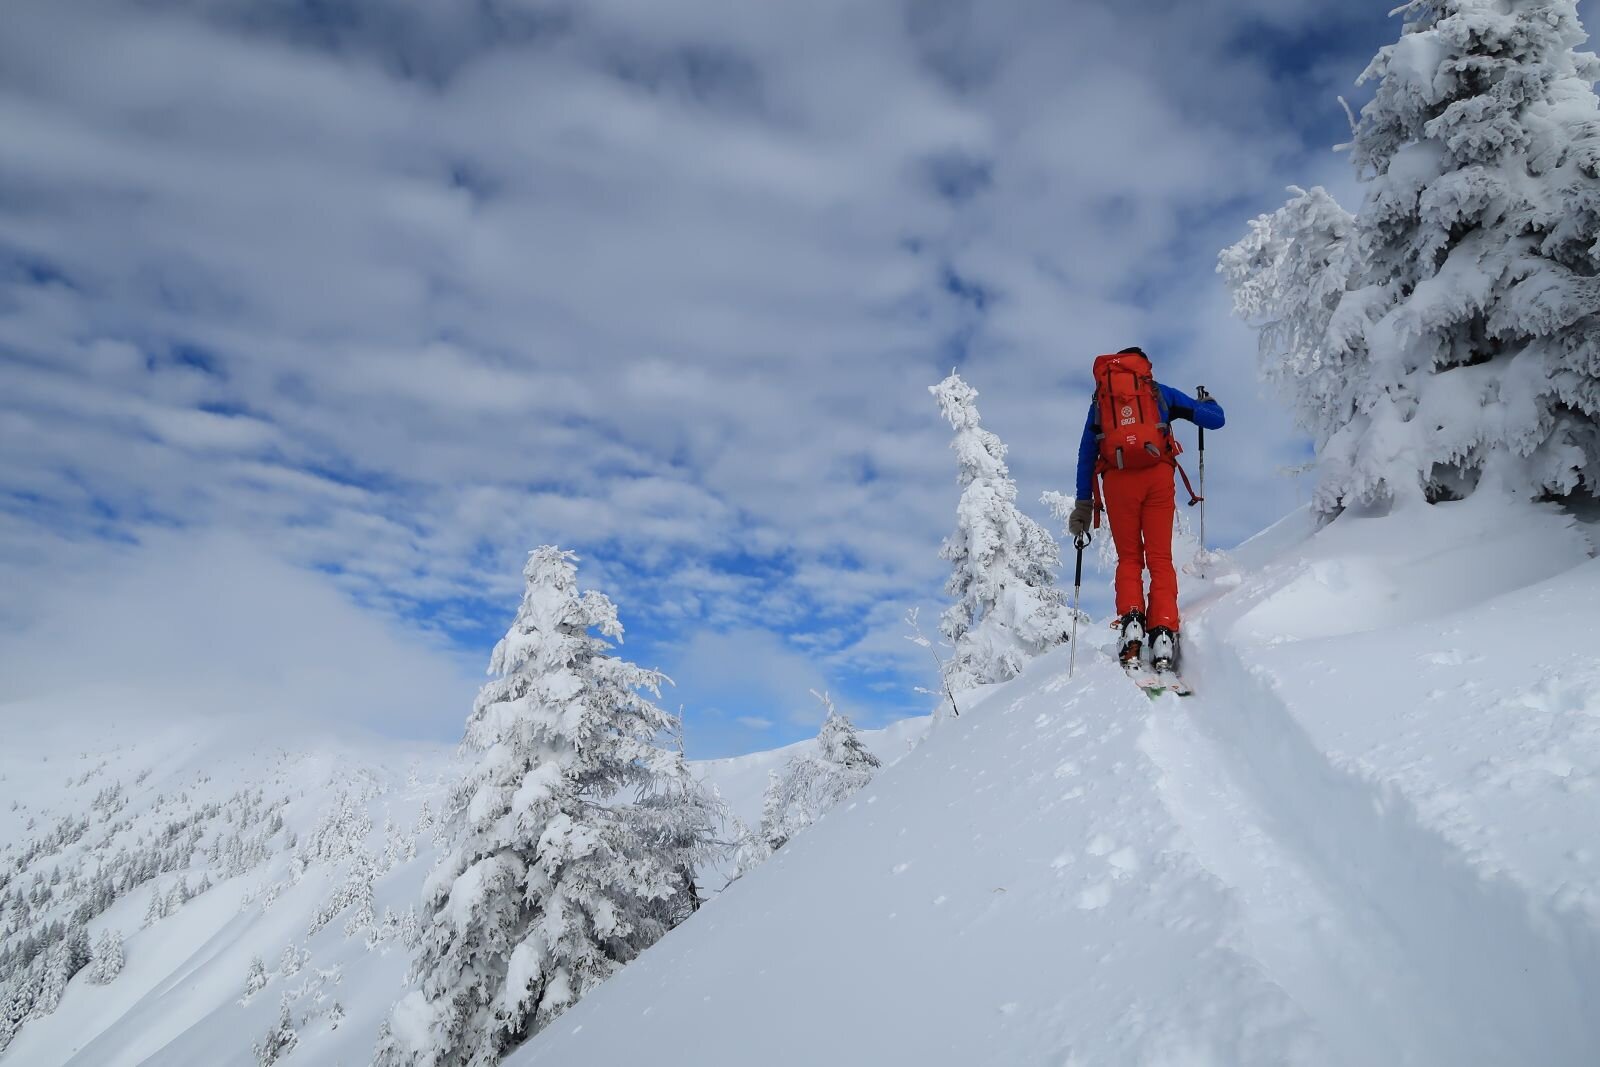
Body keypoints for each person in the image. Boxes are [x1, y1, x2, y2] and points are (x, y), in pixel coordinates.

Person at [1067, 347, 1224, 673]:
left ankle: (1132, 626)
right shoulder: (1158, 393)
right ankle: (1164, 631)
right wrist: (1208, 403)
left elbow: (1086, 454)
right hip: (1157, 477)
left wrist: (1084, 504)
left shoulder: (1100, 404)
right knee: (1159, 557)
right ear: (1143, 369)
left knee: (1129, 558)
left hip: (1117, 481)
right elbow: (1215, 420)